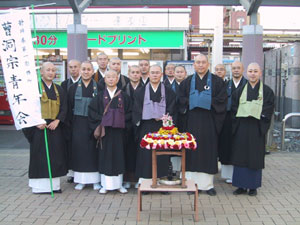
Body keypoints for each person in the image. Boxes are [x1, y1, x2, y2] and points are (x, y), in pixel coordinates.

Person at [178, 54, 227, 196]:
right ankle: (191, 184)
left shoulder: (217, 82)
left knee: (208, 151)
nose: (200, 65)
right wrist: (192, 101)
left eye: (203, 62)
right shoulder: (186, 82)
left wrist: (205, 101)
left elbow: (222, 100)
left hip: (209, 122)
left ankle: (207, 185)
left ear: (208, 64)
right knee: (191, 151)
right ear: (194, 65)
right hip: (191, 121)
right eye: (198, 62)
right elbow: (180, 100)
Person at [23, 62, 67, 194]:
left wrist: (58, 121)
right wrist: (35, 122)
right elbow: (27, 108)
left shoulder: (59, 89)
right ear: (41, 72)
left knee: (56, 155)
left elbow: (64, 108)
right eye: (48, 70)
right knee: (39, 155)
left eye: (53, 70)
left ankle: (54, 186)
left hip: (54, 127)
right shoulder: (33, 88)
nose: (51, 72)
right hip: (38, 127)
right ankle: (39, 187)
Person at [231, 63, 274, 196]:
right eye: (250, 71)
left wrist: (257, 114)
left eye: (255, 71)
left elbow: (269, 108)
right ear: (246, 73)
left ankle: (253, 186)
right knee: (240, 156)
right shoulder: (240, 90)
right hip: (242, 127)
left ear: (260, 73)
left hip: (257, 128)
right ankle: (241, 186)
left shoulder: (266, 91)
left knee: (254, 157)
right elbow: (233, 107)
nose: (253, 73)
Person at [88, 70, 132, 194]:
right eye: (108, 77)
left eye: (113, 77)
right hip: (105, 132)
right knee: (104, 157)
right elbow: (92, 112)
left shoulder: (125, 96)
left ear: (118, 79)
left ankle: (119, 184)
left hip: (119, 133)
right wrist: (104, 120)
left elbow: (130, 113)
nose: (111, 79)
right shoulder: (99, 96)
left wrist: (119, 119)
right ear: (105, 79)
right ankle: (105, 185)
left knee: (119, 157)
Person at [133, 65, 176, 189]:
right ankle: (145, 183)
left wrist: (165, 118)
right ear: (148, 74)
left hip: (162, 127)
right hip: (146, 126)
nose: (155, 75)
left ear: (161, 74)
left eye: (157, 73)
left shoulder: (169, 91)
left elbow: (172, 108)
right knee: (145, 155)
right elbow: (136, 110)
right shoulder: (140, 91)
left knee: (162, 155)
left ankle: (161, 182)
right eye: (153, 73)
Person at [67, 61, 101, 191]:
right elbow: (69, 107)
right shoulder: (72, 88)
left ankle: (95, 181)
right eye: (84, 69)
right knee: (79, 151)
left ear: (93, 71)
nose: (86, 72)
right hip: (78, 124)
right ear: (80, 71)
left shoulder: (98, 87)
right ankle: (80, 180)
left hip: (94, 124)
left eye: (89, 69)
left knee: (94, 151)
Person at [218, 61, 247, 184]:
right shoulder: (226, 85)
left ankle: (242, 173)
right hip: (228, 119)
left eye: (238, 68)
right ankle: (228, 174)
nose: (236, 70)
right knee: (228, 145)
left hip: (243, 119)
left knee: (241, 146)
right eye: (234, 68)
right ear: (231, 69)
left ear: (242, 69)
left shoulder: (247, 84)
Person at [60, 59, 81, 183]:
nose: (73, 69)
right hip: (68, 120)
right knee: (69, 146)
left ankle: (79, 171)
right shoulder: (64, 84)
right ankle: (71, 173)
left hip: (80, 120)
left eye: (75, 67)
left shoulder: (87, 83)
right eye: (71, 67)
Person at [123, 65, 143, 189]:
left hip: (141, 124)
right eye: (133, 72)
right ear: (128, 74)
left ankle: (138, 178)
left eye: (137, 72)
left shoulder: (145, 89)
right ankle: (126, 179)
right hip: (127, 125)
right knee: (127, 152)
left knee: (139, 152)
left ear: (141, 74)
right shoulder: (123, 89)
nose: (135, 74)